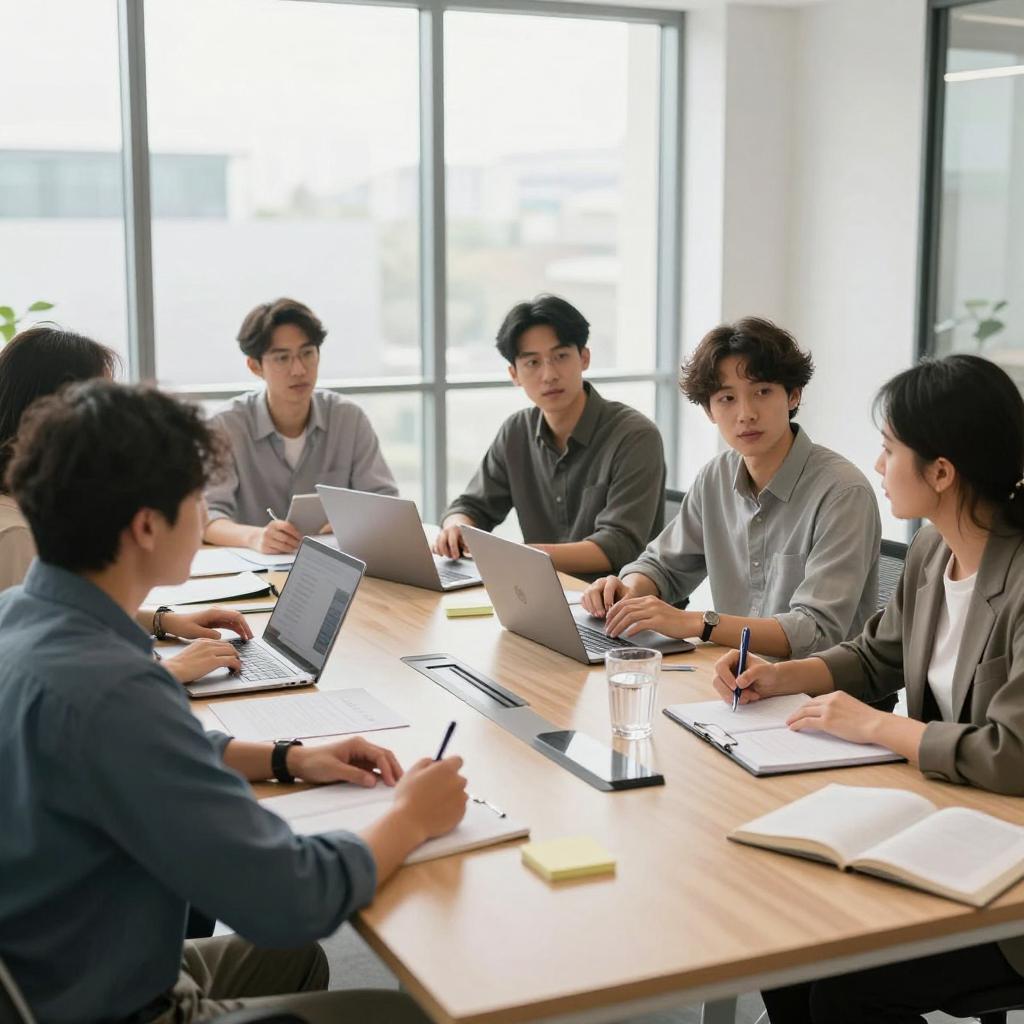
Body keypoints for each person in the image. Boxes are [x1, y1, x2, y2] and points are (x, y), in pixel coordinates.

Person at [0, 379, 467, 1024]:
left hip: (54, 963)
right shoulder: (112, 692)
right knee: (400, 1014)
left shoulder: (17, 618)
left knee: (297, 959)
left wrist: (287, 758)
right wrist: (411, 816)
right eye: (195, 501)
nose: (204, 517)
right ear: (144, 526)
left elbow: (144, 754)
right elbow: (290, 896)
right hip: (111, 1003)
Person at [710, 354, 1024, 1023]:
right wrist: (780, 676)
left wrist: (877, 726)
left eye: (889, 451)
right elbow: (876, 657)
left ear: (941, 472)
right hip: (953, 824)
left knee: (846, 991)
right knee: (787, 939)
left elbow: (1012, 754)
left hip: (1010, 879)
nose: (877, 467)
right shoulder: (934, 552)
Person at [582, 317, 881, 659]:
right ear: (709, 410)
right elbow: (662, 566)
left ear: (793, 396)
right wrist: (628, 593)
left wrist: (700, 624)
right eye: (726, 398)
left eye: (762, 392)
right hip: (733, 680)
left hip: (817, 695)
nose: (746, 413)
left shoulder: (842, 493)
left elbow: (816, 631)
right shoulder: (715, 478)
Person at [0, 326, 249, 684]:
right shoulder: (16, 535)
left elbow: (69, 609)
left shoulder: (37, 507)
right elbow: (43, 675)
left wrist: (162, 620)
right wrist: (166, 672)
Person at [434, 294, 665, 579]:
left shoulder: (634, 436)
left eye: (560, 356)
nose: (549, 374)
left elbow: (618, 546)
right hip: (544, 594)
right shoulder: (516, 432)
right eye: (532, 363)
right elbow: (471, 506)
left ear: (584, 358)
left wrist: (519, 557)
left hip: (620, 607)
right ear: (514, 374)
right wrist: (456, 526)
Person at [204, 298, 398, 554]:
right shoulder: (226, 426)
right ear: (255, 366)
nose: (299, 369)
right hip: (253, 571)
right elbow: (206, 517)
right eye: (282, 358)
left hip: (334, 565)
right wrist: (255, 537)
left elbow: (384, 503)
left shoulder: (348, 419)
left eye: (307, 353)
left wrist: (351, 524)